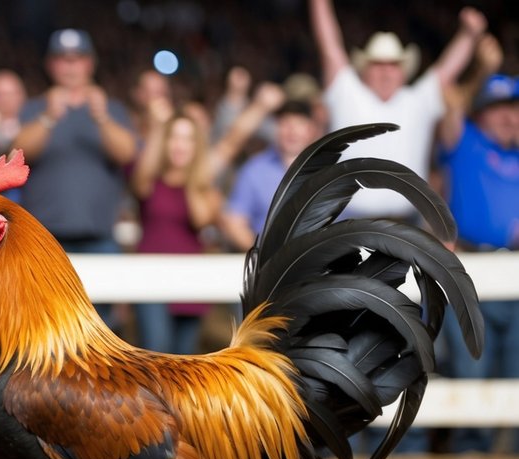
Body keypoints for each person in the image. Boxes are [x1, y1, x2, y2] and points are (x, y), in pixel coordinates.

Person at [309, 0, 487, 219]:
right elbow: (329, 47)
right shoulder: (347, 93)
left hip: (408, 222)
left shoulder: (417, 101)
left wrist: (468, 35)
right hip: (346, 221)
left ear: (404, 72)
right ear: (364, 69)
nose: (386, 72)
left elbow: (447, 70)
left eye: (393, 65)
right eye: (377, 64)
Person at [12, 29, 136, 334]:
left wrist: (102, 117)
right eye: (63, 59)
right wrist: (48, 117)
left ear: (89, 64)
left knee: (101, 331)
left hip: (100, 237)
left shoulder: (111, 109)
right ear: (51, 65)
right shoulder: (35, 108)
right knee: (44, 328)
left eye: (77, 59)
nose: (70, 66)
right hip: (46, 239)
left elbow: (126, 153)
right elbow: (18, 153)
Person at [437, 40, 518, 452]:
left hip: (516, 273)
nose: (509, 116)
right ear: (481, 113)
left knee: (516, 368)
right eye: (499, 107)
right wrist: (482, 69)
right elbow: (448, 96)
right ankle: (470, 452)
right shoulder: (463, 143)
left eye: (514, 108)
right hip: (470, 270)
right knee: (472, 366)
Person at [130, 101, 222, 355]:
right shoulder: (149, 180)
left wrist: (192, 176)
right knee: (156, 351)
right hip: (149, 278)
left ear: (197, 146)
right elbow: (139, 179)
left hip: (190, 282)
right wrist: (160, 127)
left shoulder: (206, 189)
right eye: (175, 137)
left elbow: (202, 219)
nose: (180, 145)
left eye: (188, 139)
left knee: (184, 361)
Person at [219, 99, 322, 252]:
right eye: (286, 123)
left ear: (311, 129)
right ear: (276, 128)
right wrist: (261, 255)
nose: (292, 131)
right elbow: (234, 221)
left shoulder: (326, 168)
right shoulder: (253, 170)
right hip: (267, 267)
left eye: (299, 124)